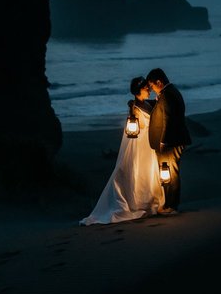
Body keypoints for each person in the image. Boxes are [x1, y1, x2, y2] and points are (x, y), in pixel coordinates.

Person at [80, 76, 164, 225]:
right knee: (138, 172)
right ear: (139, 90)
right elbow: (137, 127)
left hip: (148, 145)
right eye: (146, 88)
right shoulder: (135, 109)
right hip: (141, 145)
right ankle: (138, 203)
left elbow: (152, 106)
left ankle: (148, 201)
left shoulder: (143, 104)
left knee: (147, 173)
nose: (149, 90)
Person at [146, 67, 191, 214]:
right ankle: (170, 205)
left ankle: (171, 206)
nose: (152, 89)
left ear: (159, 82)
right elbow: (164, 111)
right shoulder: (170, 92)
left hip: (172, 141)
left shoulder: (167, 95)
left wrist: (163, 142)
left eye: (152, 86)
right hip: (176, 139)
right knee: (171, 172)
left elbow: (168, 119)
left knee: (171, 173)